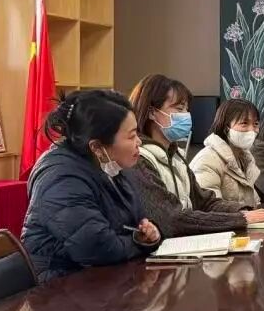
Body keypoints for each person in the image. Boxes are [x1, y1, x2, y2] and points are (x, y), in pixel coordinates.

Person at [22, 90, 161, 283]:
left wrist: (149, 233)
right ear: (96, 146)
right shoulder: (61, 179)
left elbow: (137, 223)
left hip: (104, 280)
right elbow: (98, 248)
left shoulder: (109, 165)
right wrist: (140, 242)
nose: (139, 142)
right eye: (131, 137)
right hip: (58, 287)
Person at [126, 74, 264, 238]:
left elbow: (204, 202)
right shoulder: (140, 160)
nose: (186, 115)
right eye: (179, 109)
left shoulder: (176, 157)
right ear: (152, 112)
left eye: (186, 109)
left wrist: (245, 211)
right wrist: (241, 218)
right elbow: (171, 219)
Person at [190, 99, 263, 207]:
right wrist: (244, 214)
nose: (252, 130)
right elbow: (208, 206)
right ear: (226, 128)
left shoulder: (246, 159)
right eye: (244, 123)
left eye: (255, 124)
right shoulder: (207, 160)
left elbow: (253, 203)